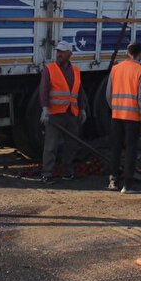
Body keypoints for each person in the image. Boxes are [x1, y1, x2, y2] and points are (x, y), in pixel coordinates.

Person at [39, 41, 88, 182]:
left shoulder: (76, 71)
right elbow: (44, 90)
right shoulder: (49, 69)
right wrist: (45, 109)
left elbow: (79, 91)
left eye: (62, 52)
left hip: (71, 114)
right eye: (58, 51)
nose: (59, 54)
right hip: (55, 114)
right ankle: (47, 174)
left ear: (69, 54)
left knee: (71, 145)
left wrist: (82, 109)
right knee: (51, 146)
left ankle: (68, 172)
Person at [106, 42, 141, 194]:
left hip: (116, 115)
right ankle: (128, 185)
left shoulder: (115, 69)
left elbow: (108, 94)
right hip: (133, 117)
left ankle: (113, 181)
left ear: (127, 52)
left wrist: (115, 108)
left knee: (116, 148)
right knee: (131, 150)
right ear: (140, 54)